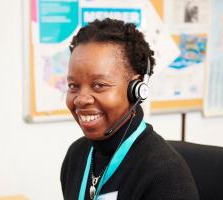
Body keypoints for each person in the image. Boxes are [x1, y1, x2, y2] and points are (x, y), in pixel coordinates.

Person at [61, 18, 199, 200]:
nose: (81, 99)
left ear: (136, 89)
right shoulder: (76, 155)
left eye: (99, 85)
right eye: (73, 86)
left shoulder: (165, 175)